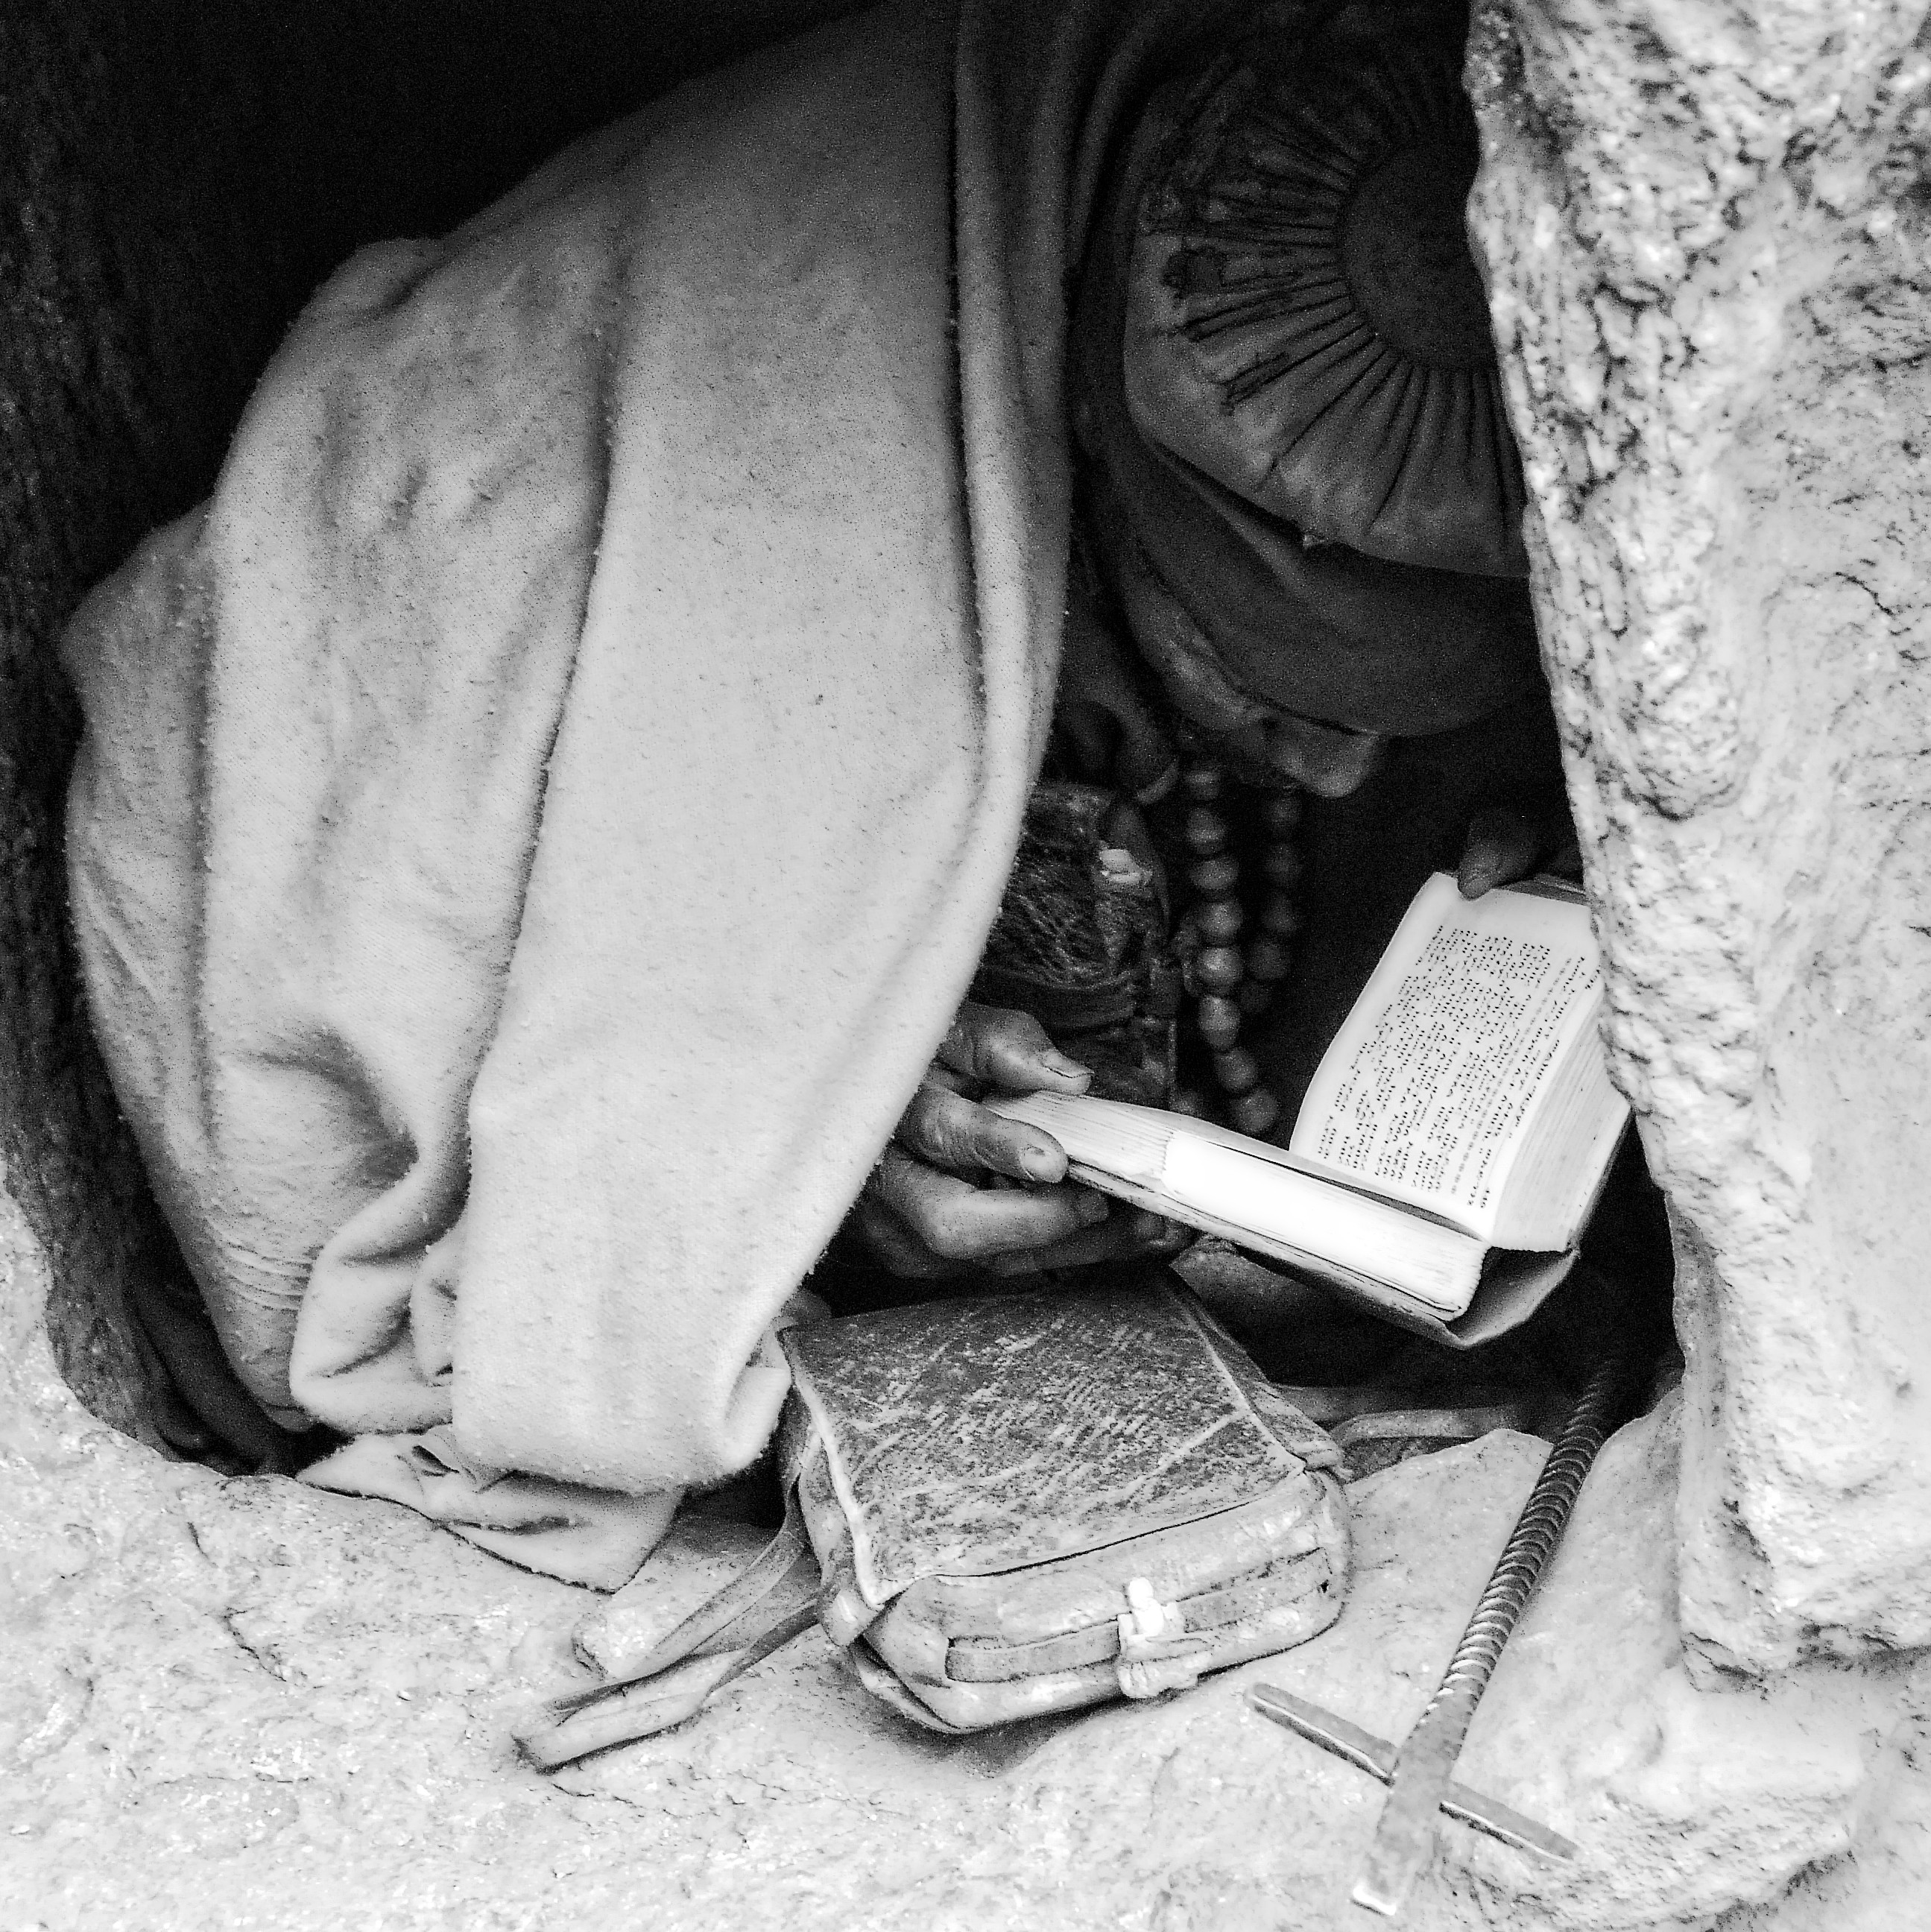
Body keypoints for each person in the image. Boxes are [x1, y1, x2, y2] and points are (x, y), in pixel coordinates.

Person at [60, 0, 1590, 1585]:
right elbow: (304, 989)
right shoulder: (632, 448)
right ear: (1081, 466)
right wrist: (813, 1128)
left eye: (1397, 728)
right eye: (1262, 691)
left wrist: (1502, 821)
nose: (1339, 771)